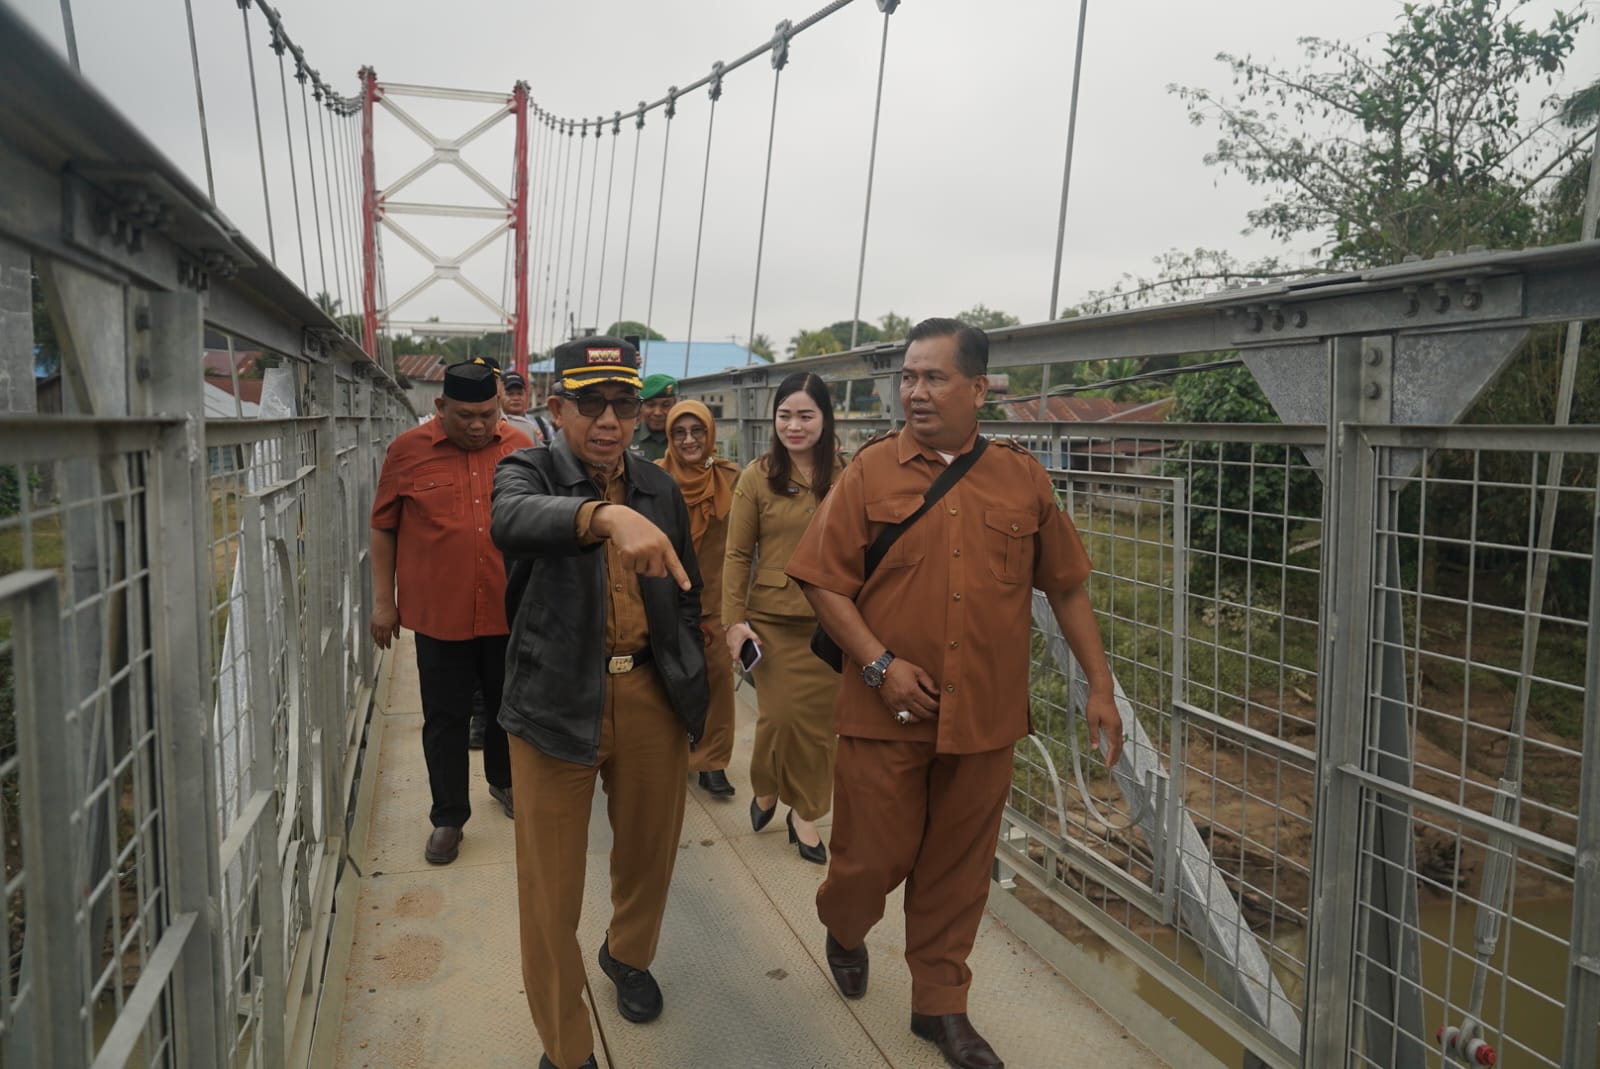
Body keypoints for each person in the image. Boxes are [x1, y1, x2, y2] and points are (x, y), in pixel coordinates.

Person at [785, 318, 1124, 1069]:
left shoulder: (1021, 477)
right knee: (867, 862)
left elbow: (1066, 586)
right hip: (884, 713)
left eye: (933, 378)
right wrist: (879, 666)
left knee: (958, 870)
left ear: (978, 388)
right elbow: (820, 580)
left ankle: (941, 1006)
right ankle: (845, 924)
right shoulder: (870, 472)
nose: (915, 391)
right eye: (908, 376)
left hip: (985, 718)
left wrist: (1100, 686)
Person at [491, 335, 708, 1069]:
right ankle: (566, 1045)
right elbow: (512, 520)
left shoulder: (659, 488)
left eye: (623, 403)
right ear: (557, 409)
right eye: (591, 403)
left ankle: (628, 953)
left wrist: (688, 670)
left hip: (649, 691)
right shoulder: (527, 470)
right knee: (550, 890)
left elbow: (688, 589)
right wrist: (603, 518)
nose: (610, 419)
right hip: (555, 697)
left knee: (649, 851)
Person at [369, 361, 533, 865]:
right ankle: (448, 817)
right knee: (445, 717)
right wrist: (383, 602)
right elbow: (383, 526)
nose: (478, 426)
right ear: (440, 407)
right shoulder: (407, 451)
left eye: (487, 414)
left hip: (507, 607)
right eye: (465, 416)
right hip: (439, 612)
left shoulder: (520, 446)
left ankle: (505, 781)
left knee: (509, 707)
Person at [723, 372, 844, 865]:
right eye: (785, 416)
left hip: (831, 622)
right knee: (780, 717)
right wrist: (733, 621)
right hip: (771, 621)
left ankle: (805, 813)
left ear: (825, 419)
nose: (794, 426)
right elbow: (737, 555)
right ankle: (767, 783)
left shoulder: (849, 475)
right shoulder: (758, 476)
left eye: (805, 416)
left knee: (818, 728)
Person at [656, 399, 742, 798]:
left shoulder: (731, 478)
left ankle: (713, 761)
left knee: (719, 679)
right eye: (679, 432)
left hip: (716, 601)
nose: (689, 440)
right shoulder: (654, 478)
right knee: (665, 681)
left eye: (697, 432)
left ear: (710, 434)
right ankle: (672, 754)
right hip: (665, 599)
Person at [631, 373, 677, 460]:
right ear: (640, 406)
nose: (658, 413)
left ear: (675, 405)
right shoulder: (628, 437)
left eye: (665, 405)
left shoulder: (683, 439)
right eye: (650, 405)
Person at [504, 370, 556, 445]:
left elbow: (554, 448)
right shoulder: (495, 427)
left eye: (520, 393)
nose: (516, 398)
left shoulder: (542, 424)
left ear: (526, 395)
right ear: (499, 396)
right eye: (510, 394)